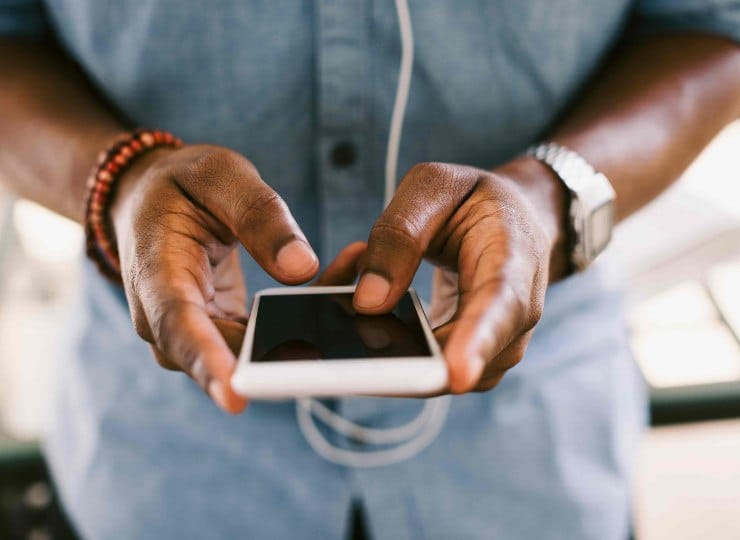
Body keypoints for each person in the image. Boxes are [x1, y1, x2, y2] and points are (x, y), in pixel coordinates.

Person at [1, 1, 739, 538]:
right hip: (162, 470)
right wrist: (120, 181)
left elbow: (716, 29)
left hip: (533, 458)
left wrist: (550, 198)